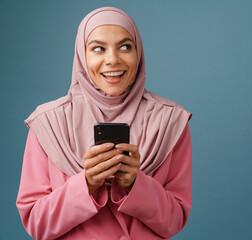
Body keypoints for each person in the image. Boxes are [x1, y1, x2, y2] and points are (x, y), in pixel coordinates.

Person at [16, 7, 192, 240]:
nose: (112, 60)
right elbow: (37, 224)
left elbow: (175, 220)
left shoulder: (170, 121)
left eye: (125, 47)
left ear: (138, 52)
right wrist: (86, 183)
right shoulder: (49, 122)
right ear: (82, 54)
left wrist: (136, 184)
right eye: (98, 48)